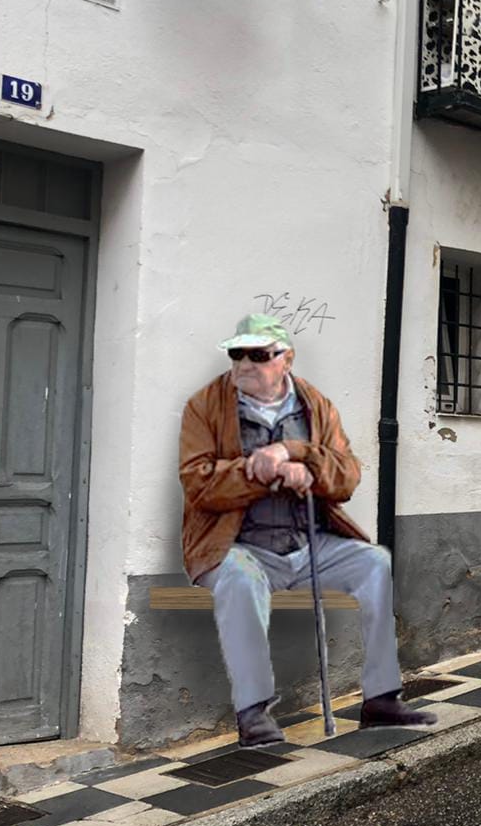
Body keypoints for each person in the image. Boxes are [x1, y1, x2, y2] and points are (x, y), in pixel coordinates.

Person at [179, 313, 435, 747]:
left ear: (286, 359)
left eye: (257, 355)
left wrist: (300, 459)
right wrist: (253, 470)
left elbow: (347, 476)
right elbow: (197, 482)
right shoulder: (204, 406)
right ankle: (253, 712)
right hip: (238, 545)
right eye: (236, 354)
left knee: (376, 562)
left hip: (307, 543)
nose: (243, 364)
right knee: (239, 578)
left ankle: (381, 698)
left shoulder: (316, 405)